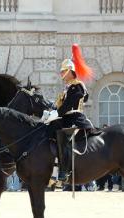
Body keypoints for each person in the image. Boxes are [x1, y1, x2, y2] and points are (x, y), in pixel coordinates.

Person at [52, 44, 94, 181]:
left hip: (75, 119)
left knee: (64, 138)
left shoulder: (77, 86)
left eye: (62, 70)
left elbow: (69, 105)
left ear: (70, 71)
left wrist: (57, 113)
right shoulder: (69, 87)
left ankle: (64, 171)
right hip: (66, 118)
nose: (60, 74)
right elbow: (61, 105)